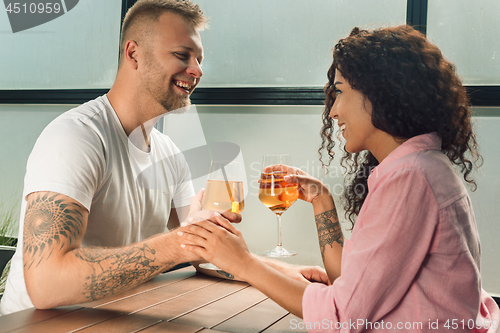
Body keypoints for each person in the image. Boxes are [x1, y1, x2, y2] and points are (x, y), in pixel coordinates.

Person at [0, 0, 327, 315]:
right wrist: (180, 243)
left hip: (113, 318)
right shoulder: (76, 137)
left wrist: (285, 272)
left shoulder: (168, 153)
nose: (197, 70)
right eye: (182, 55)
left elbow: (205, 251)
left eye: (199, 59)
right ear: (134, 54)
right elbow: (46, 284)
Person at [178, 25, 500, 332]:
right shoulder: (422, 166)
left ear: (381, 94)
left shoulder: (411, 177)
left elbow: (341, 317)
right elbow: (352, 282)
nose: (332, 112)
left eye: (341, 93)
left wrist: (243, 262)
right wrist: (321, 201)